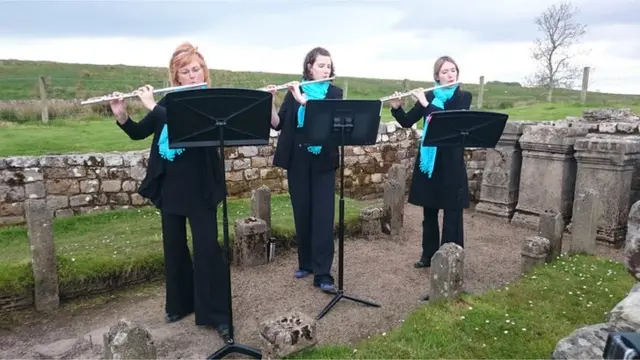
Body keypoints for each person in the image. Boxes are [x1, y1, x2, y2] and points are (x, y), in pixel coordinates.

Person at [108, 42, 231, 342]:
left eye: (195, 69)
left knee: (206, 249)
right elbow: (140, 132)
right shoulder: (170, 102)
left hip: (200, 186)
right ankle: (181, 303)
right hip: (171, 185)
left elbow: (182, 124)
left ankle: (217, 314)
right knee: (174, 247)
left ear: (204, 71)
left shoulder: (207, 101)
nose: (191, 75)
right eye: (185, 71)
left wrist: (152, 105)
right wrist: (122, 114)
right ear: (176, 77)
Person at [266, 47, 343, 293]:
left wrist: (304, 101)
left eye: (328, 66)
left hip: (323, 161)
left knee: (323, 215)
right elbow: (278, 124)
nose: (325, 70)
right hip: (298, 160)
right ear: (309, 67)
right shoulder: (295, 91)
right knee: (302, 212)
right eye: (321, 65)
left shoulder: (334, 94)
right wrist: (271, 102)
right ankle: (306, 263)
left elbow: (326, 121)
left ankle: (323, 274)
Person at [388, 55, 472, 269]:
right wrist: (397, 107)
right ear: (437, 75)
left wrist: (427, 104)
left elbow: (448, 122)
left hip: (451, 160)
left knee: (452, 211)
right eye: (445, 71)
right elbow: (407, 122)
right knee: (430, 211)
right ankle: (428, 255)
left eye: (452, 70)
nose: (449, 74)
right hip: (430, 161)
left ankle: (450, 258)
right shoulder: (430, 94)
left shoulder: (463, 97)